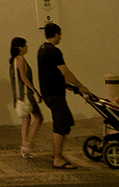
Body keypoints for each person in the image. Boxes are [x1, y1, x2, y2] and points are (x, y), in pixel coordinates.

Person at [36, 22, 93, 169]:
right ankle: (57, 158)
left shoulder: (41, 49)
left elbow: (52, 73)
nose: (60, 37)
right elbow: (65, 72)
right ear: (56, 34)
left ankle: (57, 153)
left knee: (66, 121)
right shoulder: (54, 51)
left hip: (48, 92)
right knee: (60, 125)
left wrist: (69, 86)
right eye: (60, 34)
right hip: (55, 94)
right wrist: (80, 86)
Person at [9, 37, 42, 158]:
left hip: (19, 95)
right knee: (38, 118)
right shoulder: (20, 59)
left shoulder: (14, 61)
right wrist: (35, 91)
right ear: (19, 47)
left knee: (26, 120)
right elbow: (24, 78)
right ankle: (28, 145)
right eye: (25, 45)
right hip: (26, 94)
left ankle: (24, 147)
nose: (27, 47)